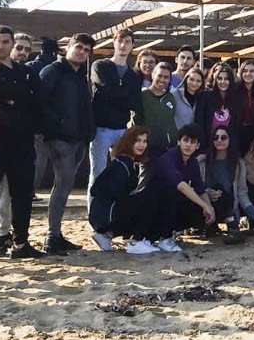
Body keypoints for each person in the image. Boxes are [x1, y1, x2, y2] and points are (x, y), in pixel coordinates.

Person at [0, 26, 46, 262]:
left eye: (6, 42)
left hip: (23, 140)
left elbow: (37, 101)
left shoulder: (26, 72)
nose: (1, 46)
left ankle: (20, 242)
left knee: (22, 194)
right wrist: (8, 105)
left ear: (11, 43)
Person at [38, 33, 96, 255]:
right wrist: (56, 124)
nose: (82, 52)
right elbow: (40, 101)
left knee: (64, 188)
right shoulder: (52, 71)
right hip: (57, 139)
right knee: (56, 188)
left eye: (86, 50)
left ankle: (55, 234)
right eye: (79, 47)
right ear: (68, 47)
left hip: (77, 139)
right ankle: (50, 236)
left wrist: (87, 134)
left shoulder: (80, 76)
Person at [0, 34, 35, 245]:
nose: (22, 52)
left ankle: (2, 233)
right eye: (19, 47)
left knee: (10, 191)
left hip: (20, 138)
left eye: (27, 49)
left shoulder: (27, 72)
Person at [89, 29, 143, 207]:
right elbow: (106, 90)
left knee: (123, 172)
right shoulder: (100, 66)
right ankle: (94, 215)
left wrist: (117, 94)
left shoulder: (134, 75)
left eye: (127, 42)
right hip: (101, 128)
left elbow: (134, 102)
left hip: (122, 129)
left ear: (132, 45)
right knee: (98, 173)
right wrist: (123, 95)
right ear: (114, 43)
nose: (123, 45)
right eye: (120, 41)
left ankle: (115, 213)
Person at [88, 126, 161, 254]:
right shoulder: (123, 164)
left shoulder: (127, 162)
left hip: (104, 214)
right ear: (129, 142)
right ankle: (135, 241)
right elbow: (114, 193)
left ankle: (107, 235)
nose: (142, 145)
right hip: (105, 215)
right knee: (146, 200)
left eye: (144, 141)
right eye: (137, 140)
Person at [151, 124, 217, 252]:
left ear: (197, 146)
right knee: (172, 192)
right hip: (155, 207)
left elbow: (200, 189)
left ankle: (178, 232)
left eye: (192, 142)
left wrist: (210, 207)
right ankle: (164, 238)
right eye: (185, 140)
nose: (188, 145)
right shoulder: (169, 157)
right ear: (179, 141)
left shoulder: (193, 162)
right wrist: (204, 205)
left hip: (176, 207)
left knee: (213, 197)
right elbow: (181, 185)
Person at [197, 125, 246, 244]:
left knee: (221, 191)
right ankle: (214, 225)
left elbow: (242, 191)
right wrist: (206, 193)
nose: (219, 140)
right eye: (216, 137)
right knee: (215, 189)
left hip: (228, 206)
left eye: (223, 137)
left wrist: (250, 208)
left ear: (230, 140)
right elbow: (196, 186)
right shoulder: (202, 161)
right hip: (206, 206)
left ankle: (233, 229)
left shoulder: (238, 163)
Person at [24, 36, 58, 196]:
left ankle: (24, 190)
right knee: (40, 158)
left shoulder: (29, 67)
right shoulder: (56, 69)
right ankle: (30, 191)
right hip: (46, 121)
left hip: (27, 117)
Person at [136, 63, 179, 155]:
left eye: (166, 77)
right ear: (153, 75)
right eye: (159, 76)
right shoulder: (142, 95)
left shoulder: (170, 97)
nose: (162, 80)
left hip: (167, 149)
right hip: (146, 148)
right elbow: (135, 122)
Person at [199, 65, 242, 151]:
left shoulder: (236, 99)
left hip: (228, 146)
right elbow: (200, 122)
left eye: (226, 79)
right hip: (207, 145)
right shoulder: (205, 96)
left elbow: (236, 126)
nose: (223, 82)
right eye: (219, 78)